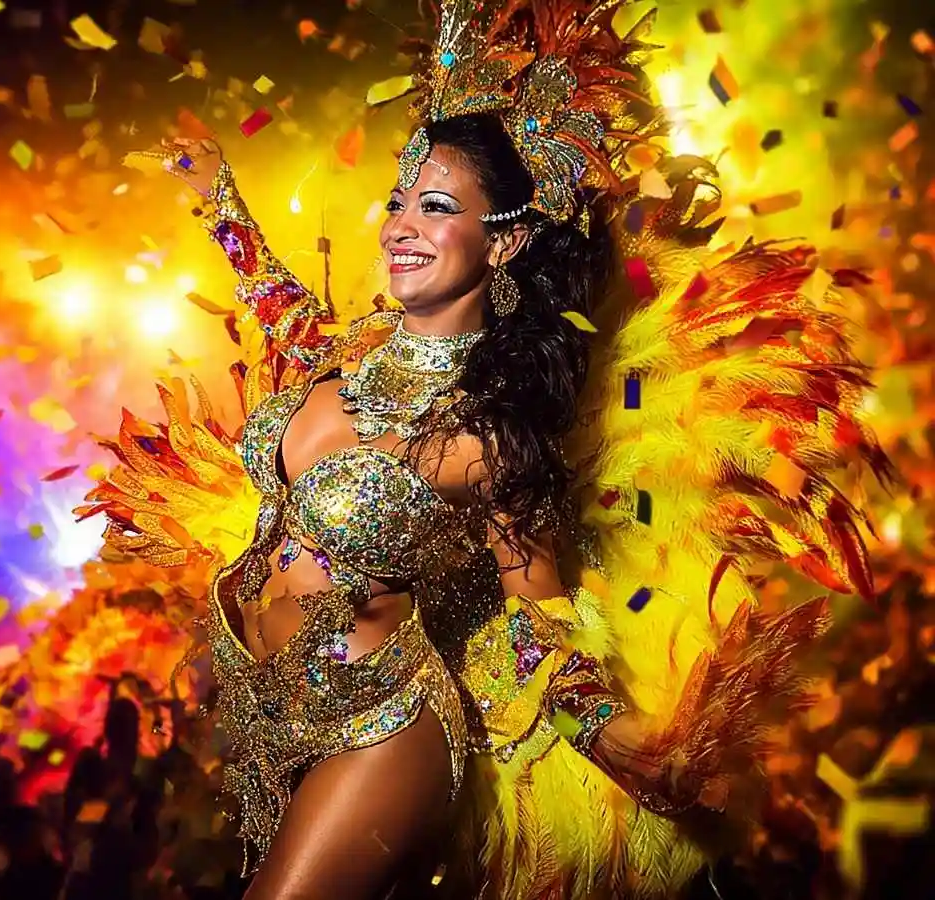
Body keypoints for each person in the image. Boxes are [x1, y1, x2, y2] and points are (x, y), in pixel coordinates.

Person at [81, 1, 891, 897]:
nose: (399, 226)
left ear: (503, 241)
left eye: (435, 208)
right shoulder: (353, 351)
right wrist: (219, 196)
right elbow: (281, 309)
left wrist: (622, 743)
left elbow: (532, 624)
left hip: (383, 732)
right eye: (398, 202)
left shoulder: (489, 432)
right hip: (269, 713)